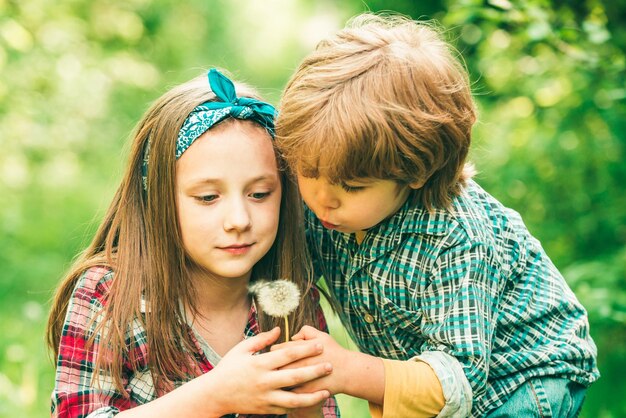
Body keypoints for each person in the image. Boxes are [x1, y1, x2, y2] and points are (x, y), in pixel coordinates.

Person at [273, 13, 600, 418]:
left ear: (416, 172)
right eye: (307, 172)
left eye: (352, 187)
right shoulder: (327, 209)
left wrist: (348, 370)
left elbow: (456, 379)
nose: (323, 199)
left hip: (523, 379)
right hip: (431, 379)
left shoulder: (455, 238)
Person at [46, 68, 339, 418]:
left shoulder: (288, 298)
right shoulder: (109, 294)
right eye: (207, 197)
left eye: (260, 194)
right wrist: (215, 397)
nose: (239, 220)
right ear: (158, 198)